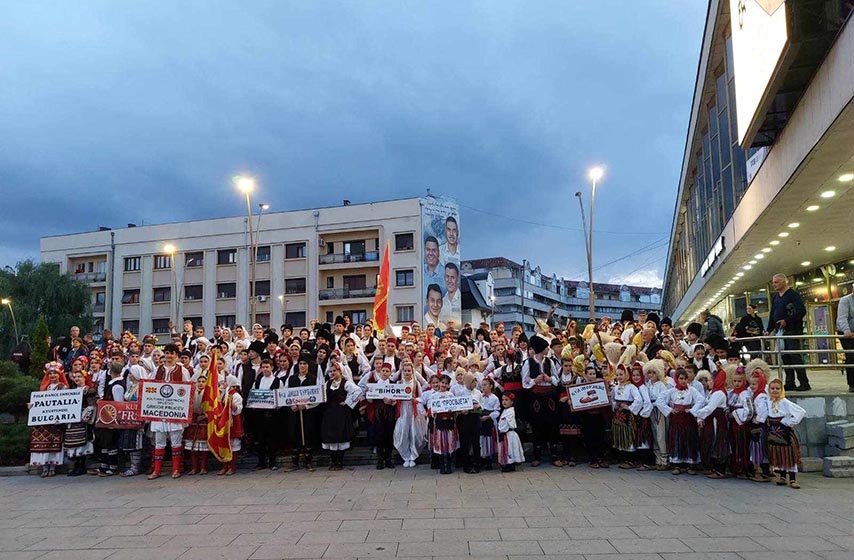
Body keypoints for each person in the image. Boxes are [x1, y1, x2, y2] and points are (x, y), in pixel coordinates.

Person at [148, 344, 191, 480]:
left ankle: (176, 469)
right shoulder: (157, 370)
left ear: (176, 356)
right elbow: (150, 387)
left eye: (172, 353)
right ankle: (157, 470)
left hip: (175, 412)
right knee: (159, 441)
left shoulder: (182, 370)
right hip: (160, 412)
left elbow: (187, 390)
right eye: (167, 353)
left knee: (176, 441)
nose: (169, 356)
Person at [657, 368, 704, 475]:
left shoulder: (692, 390)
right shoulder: (672, 391)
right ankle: (677, 464)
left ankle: (690, 464)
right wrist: (669, 410)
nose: (683, 381)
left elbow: (701, 400)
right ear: (676, 379)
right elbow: (660, 400)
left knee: (689, 439)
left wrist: (692, 410)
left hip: (688, 419)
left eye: (685, 378)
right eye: (681, 378)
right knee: (677, 439)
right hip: (676, 419)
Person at [767, 273, 810, 391]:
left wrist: (787, 321)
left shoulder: (793, 295)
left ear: (784, 282)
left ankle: (804, 382)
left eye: (776, 282)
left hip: (792, 330)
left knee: (794, 354)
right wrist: (769, 329)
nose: (774, 284)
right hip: (779, 331)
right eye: (773, 282)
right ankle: (789, 382)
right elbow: (772, 313)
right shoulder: (775, 297)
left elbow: (801, 310)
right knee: (785, 357)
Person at [521, 335, 559, 466]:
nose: (548, 350)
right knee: (537, 425)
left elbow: (556, 379)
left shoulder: (550, 362)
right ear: (541, 349)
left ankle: (554, 455)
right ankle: (536, 456)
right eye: (546, 348)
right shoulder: (528, 362)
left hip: (549, 396)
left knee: (552, 424)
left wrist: (549, 379)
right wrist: (534, 381)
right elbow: (525, 382)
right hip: (536, 397)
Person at [321, 361, 363, 471]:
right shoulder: (327, 384)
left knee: (340, 436)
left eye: (334, 371)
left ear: (340, 371)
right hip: (329, 414)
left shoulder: (346, 383)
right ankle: (333, 461)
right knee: (330, 437)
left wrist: (347, 402)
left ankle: (339, 462)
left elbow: (358, 391)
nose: (332, 373)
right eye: (331, 371)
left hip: (341, 414)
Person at [765, 378, 806, 489]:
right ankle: (782, 477)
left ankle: (792, 478)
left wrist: (788, 422)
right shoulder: (768, 401)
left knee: (789, 454)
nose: (775, 391)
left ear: (782, 389)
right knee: (779, 454)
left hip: (784, 432)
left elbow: (801, 412)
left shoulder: (785, 402)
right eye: (772, 388)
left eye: (778, 388)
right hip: (773, 432)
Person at [692, 365, 730, 479]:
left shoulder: (718, 393)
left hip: (717, 422)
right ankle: (713, 466)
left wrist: (697, 414)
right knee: (711, 442)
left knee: (718, 443)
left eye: (709, 380)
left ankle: (720, 469)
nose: (708, 383)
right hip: (711, 421)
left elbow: (710, 408)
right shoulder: (713, 392)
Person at [393, 361, 427, 468]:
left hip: (413, 410)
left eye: (409, 371)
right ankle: (405, 456)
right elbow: (394, 396)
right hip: (403, 410)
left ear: (412, 371)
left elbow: (421, 398)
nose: (407, 373)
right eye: (405, 371)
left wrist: (415, 399)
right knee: (402, 432)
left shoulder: (416, 383)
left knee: (415, 433)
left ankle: (413, 456)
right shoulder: (398, 384)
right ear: (402, 371)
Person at [611, 365, 643, 469]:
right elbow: (612, 400)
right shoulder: (616, 388)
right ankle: (623, 458)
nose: (619, 377)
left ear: (626, 374)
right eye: (617, 375)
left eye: (621, 374)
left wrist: (629, 407)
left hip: (627, 415)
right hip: (618, 415)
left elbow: (639, 400)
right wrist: (614, 405)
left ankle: (630, 460)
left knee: (628, 435)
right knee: (619, 434)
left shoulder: (631, 387)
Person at [184, 375, 210, 475]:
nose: (201, 383)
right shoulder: (192, 393)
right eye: (199, 381)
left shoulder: (210, 394)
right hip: (193, 421)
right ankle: (194, 468)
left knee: (203, 447)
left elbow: (213, 408)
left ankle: (203, 467)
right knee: (193, 447)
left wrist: (204, 416)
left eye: (203, 381)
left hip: (204, 421)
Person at [496, 392, 524, 472]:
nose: (504, 402)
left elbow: (508, 423)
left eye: (506, 400)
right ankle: (507, 463)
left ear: (512, 402)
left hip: (509, 434)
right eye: (503, 400)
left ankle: (510, 464)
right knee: (507, 449)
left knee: (510, 449)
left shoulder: (511, 411)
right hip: (505, 434)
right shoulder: (505, 411)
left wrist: (502, 428)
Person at [478, 377, 500, 470]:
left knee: (489, 441)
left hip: (489, 421)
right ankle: (482, 459)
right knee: (481, 440)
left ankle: (489, 460)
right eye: (482, 385)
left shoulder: (494, 398)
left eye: (485, 385)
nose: (483, 387)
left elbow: (497, 411)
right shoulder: (480, 396)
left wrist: (488, 416)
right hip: (481, 420)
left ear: (491, 386)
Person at [836, 290, 854, 392]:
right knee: (851, 356)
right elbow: (842, 318)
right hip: (846, 332)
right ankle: (852, 384)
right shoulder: (845, 301)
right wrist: (846, 331)